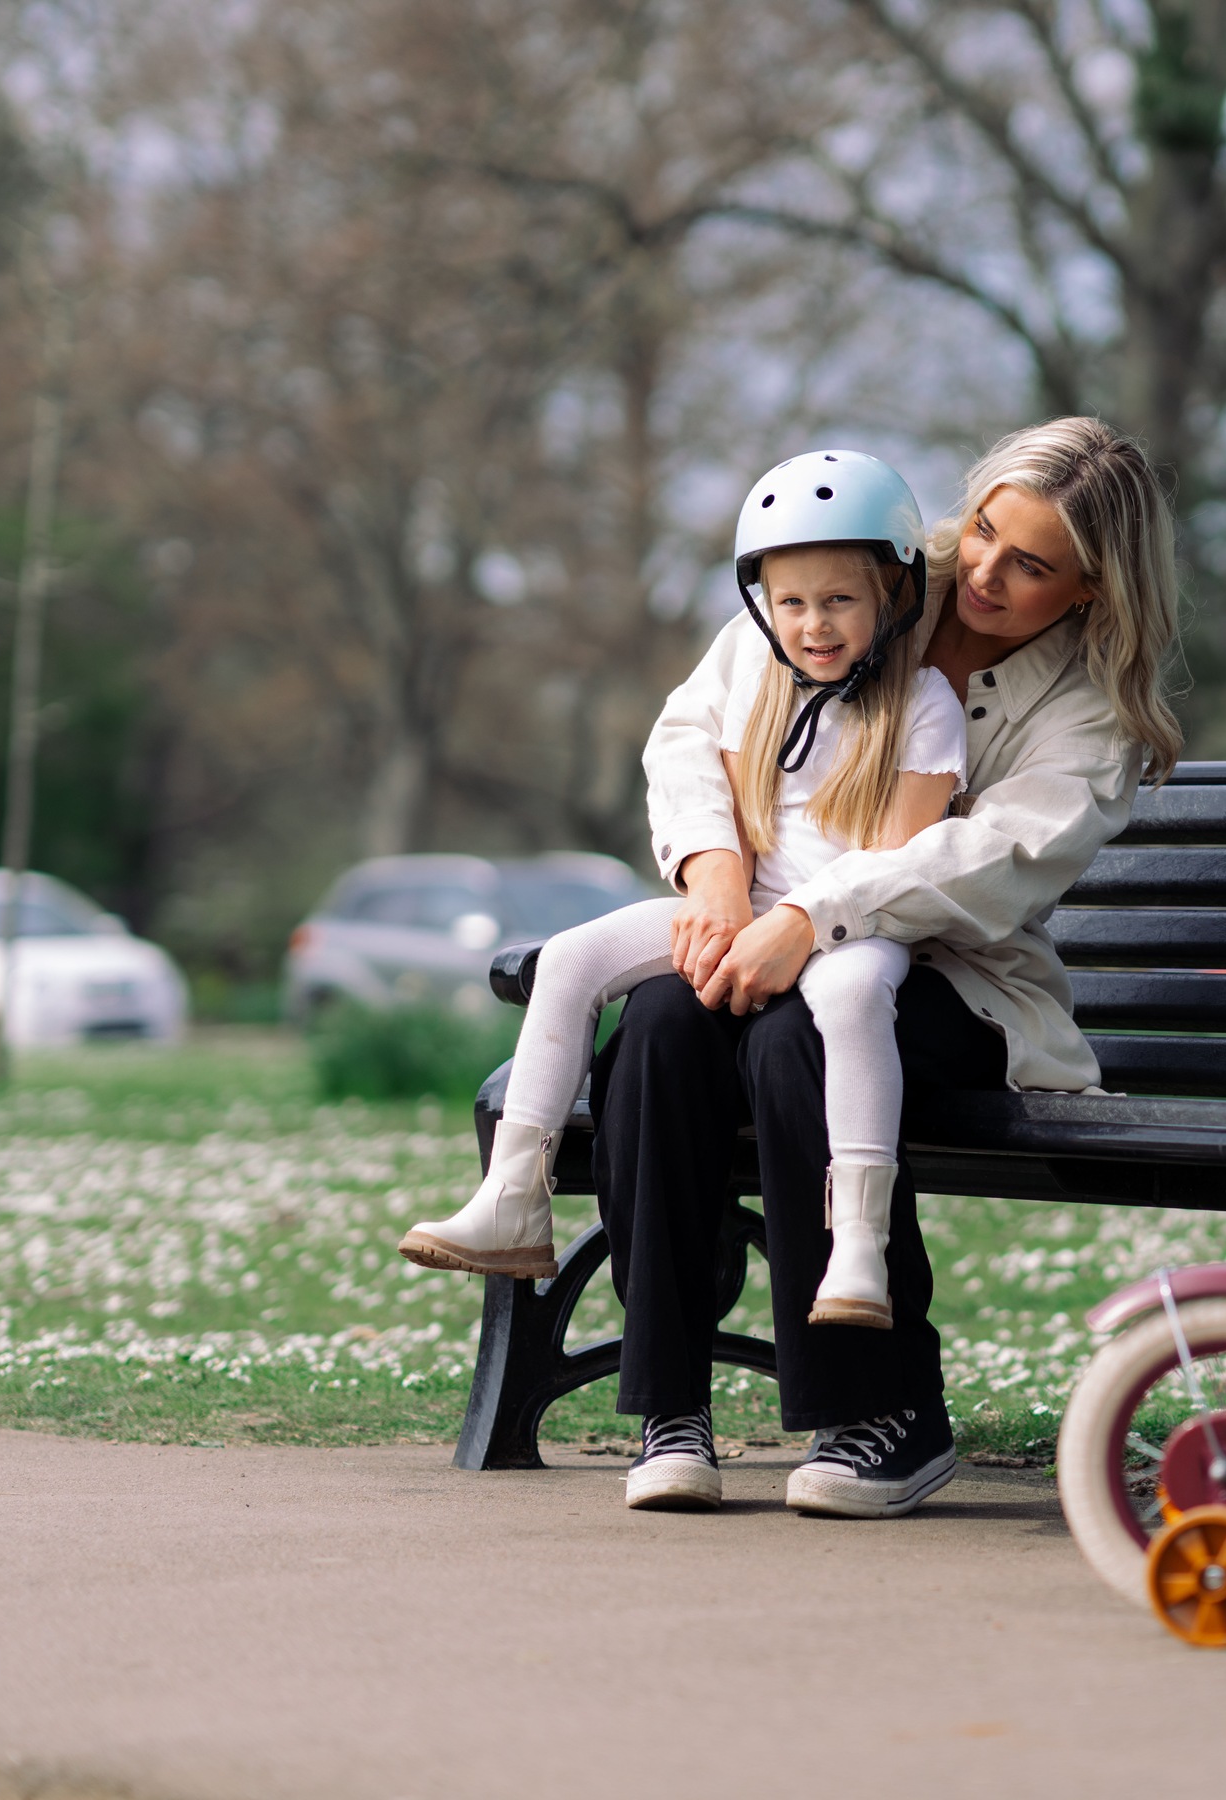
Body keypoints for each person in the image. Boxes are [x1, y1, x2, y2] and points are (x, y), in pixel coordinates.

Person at [609, 417, 1184, 1519]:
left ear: (1092, 590)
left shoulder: (1089, 714)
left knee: (802, 1041)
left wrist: (815, 916)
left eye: (1031, 565)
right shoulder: (867, 567)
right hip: (761, 922)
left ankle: (883, 1409)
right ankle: (669, 1406)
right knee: (661, 1024)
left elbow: (991, 861)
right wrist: (715, 875)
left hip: (955, 979)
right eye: (985, 530)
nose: (985, 571)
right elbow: (693, 727)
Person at [396, 450, 961, 1362]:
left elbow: (896, 859)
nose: (814, 624)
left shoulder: (925, 703)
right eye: (792, 602)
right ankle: (514, 1195)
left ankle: (857, 1242)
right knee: (571, 958)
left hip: (852, 927)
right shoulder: (757, 683)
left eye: (839, 600)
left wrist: (796, 929)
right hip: (749, 911)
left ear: (893, 594)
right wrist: (724, 901)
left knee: (856, 998)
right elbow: (725, 813)